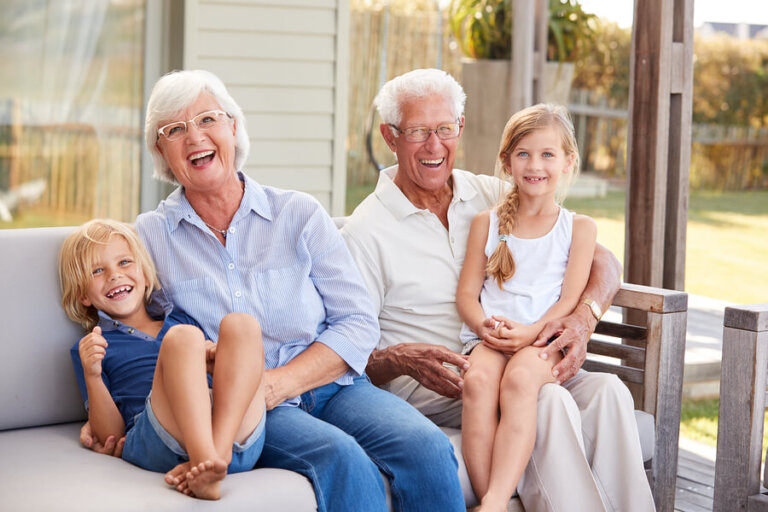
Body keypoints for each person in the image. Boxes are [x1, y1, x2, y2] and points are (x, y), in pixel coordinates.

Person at [79, 69, 464, 512]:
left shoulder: (297, 213)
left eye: (208, 120)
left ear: (233, 128)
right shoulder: (151, 236)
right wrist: (101, 409)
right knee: (342, 460)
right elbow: (130, 318)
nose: (195, 137)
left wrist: (280, 383)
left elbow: (357, 321)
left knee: (428, 448)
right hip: (244, 406)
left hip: (336, 386)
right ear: (161, 151)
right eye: (175, 130)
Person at [342, 68, 655, 511]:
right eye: (417, 132)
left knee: (609, 393)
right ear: (391, 138)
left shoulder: (488, 192)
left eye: (444, 129)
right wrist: (400, 359)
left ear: (460, 129)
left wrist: (583, 318)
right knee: (549, 404)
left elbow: (600, 259)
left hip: (525, 349)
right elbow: (349, 355)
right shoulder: (364, 234)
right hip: (444, 387)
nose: (434, 145)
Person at [59, 219, 266, 500]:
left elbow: (224, 376)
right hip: (157, 435)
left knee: (243, 324)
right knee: (184, 339)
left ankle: (215, 458)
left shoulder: (180, 318)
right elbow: (111, 436)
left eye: (124, 263)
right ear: (83, 294)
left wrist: (213, 358)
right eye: (98, 270)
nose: (114, 275)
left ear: (145, 273)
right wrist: (92, 374)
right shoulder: (93, 346)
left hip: (229, 432)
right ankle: (206, 459)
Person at [457, 104, 598, 511]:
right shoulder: (487, 222)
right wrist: (486, 327)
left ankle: (495, 500)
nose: (535, 165)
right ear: (506, 161)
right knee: (478, 383)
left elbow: (568, 301)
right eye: (523, 154)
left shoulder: (579, 229)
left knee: (519, 382)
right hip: (492, 336)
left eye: (548, 154)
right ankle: (493, 499)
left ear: (568, 162)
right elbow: (467, 295)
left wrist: (531, 333)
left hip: (542, 339)